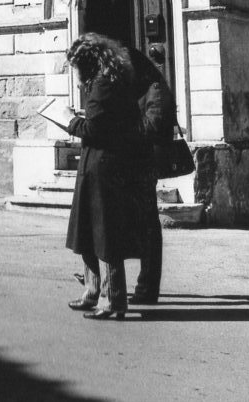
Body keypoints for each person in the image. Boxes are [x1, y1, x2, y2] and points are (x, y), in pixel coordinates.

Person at [63, 33, 146, 320]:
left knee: (103, 233)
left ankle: (113, 300)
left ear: (87, 63)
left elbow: (93, 130)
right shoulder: (115, 80)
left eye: (76, 65)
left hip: (101, 167)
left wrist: (69, 121)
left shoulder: (102, 86)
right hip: (102, 164)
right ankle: (92, 291)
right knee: (89, 230)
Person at [127, 45, 175, 306]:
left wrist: (123, 126)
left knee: (147, 225)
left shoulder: (154, 88)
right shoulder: (140, 87)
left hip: (146, 164)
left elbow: (153, 126)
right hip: (134, 161)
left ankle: (147, 286)